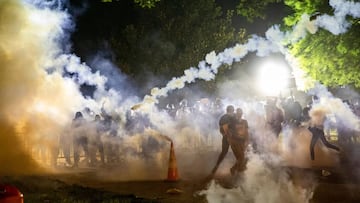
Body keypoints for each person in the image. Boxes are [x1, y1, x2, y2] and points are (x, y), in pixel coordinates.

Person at [210, 105, 235, 175]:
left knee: (225, 152)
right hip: (228, 137)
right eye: (233, 111)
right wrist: (228, 137)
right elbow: (224, 129)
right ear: (231, 110)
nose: (233, 112)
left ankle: (216, 167)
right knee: (225, 152)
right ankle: (216, 167)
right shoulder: (225, 118)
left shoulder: (230, 117)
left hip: (231, 137)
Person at [227, 108, 249, 175]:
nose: (240, 114)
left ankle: (239, 173)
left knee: (240, 158)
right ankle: (233, 169)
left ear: (242, 114)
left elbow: (246, 132)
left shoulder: (245, 121)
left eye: (241, 113)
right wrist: (230, 140)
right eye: (238, 113)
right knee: (241, 157)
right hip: (235, 141)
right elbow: (229, 132)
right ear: (236, 113)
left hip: (242, 141)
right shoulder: (232, 122)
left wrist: (247, 140)